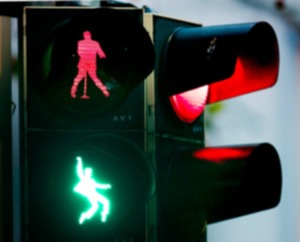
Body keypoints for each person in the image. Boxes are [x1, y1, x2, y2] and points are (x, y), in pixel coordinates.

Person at [70, 31, 109, 98]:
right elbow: (79, 52)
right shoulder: (80, 42)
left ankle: (105, 92)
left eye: (88, 35)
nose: (87, 36)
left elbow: (100, 51)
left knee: (94, 78)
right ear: (84, 36)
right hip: (83, 63)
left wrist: (102, 54)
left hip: (91, 64)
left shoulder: (95, 43)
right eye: (86, 35)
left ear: (90, 35)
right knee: (78, 78)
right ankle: (73, 92)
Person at [74, 156, 111, 224]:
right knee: (98, 205)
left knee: (103, 203)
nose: (90, 173)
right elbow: (79, 170)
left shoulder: (92, 180)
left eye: (90, 172)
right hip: (90, 195)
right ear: (86, 173)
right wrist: (80, 161)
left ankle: (102, 214)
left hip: (94, 194)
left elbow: (97, 185)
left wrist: (106, 186)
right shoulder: (83, 178)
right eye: (88, 172)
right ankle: (85, 216)